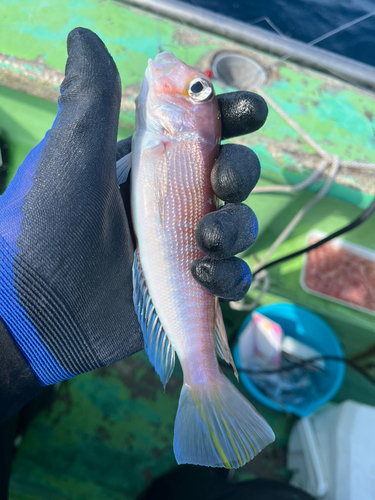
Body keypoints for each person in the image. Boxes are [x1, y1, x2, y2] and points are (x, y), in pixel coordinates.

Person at [0, 28, 267, 425]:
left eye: (195, 89)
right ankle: (203, 378)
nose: (183, 79)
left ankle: (203, 375)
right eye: (198, 89)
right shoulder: (162, 139)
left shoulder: (167, 139)